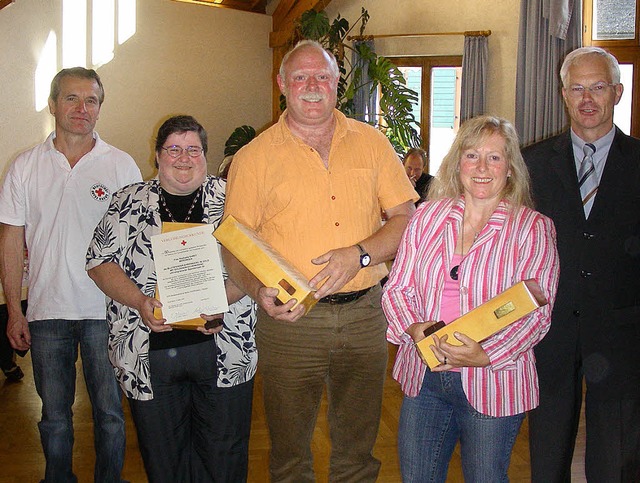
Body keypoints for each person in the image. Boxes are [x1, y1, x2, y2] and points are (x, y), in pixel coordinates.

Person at [223, 40, 417, 482]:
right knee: (290, 455)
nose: (312, 86)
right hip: (290, 323)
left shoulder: (372, 143)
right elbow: (235, 245)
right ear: (282, 85)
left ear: (336, 83)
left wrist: (359, 254)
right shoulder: (254, 158)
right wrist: (257, 292)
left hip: (366, 315)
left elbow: (406, 219)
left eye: (323, 77)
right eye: (300, 77)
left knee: (359, 452)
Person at [382, 115, 560, 482]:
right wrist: (414, 329)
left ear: (510, 168)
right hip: (426, 377)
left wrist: (486, 354)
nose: (482, 168)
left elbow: (536, 316)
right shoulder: (427, 217)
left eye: (494, 158)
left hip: (495, 380)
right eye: (472, 155)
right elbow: (398, 287)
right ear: (457, 162)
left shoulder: (533, 228)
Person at [86, 115, 257, 483]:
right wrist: (140, 302)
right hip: (150, 353)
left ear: (205, 156)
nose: (184, 158)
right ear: (158, 155)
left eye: (193, 149)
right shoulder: (127, 202)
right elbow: (99, 262)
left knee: (224, 456)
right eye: (174, 149)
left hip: (223, 348)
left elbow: (257, 265)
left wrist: (220, 300)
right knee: (164, 459)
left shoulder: (234, 200)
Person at [0, 67, 141, 482]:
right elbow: (10, 242)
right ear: (52, 103)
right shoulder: (24, 166)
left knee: (111, 415)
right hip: (47, 312)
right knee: (54, 417)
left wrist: (136, 306)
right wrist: (14, 310)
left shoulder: (120, 165)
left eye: (91, 100)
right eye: (71, 99)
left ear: (100, 107)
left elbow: (136, 243)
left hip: (106, 312)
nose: (82, 108)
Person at [523, 47, 640, 482]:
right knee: (548, 454)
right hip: (551, 328)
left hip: (623, 332)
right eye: (577, 88)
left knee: (618, 460)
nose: (587, 98)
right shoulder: (531, 163)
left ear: (618, 92)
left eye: (598, 87)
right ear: (563, 94)